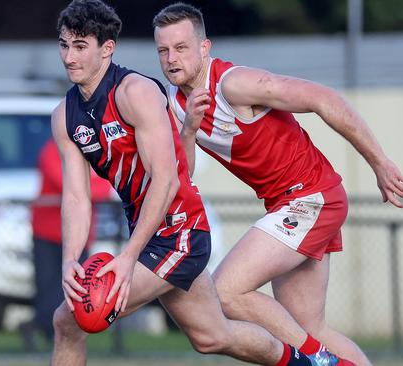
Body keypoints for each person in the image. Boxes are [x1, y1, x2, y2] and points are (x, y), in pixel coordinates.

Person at [51, 1, 319, 365]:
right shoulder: (65, 115)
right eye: (64, 45)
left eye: (80, 46)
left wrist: (128, 257)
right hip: (151, 236)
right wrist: (70, 259)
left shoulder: (135, 93)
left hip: (180, 232)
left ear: (107, 49)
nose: (69, 56)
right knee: (213, 337)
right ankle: (312, 362)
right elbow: (77, 199)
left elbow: (167, 180)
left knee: (69, 320)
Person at [153, 3, 403, 366]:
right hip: (287, 205)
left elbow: (324, 99)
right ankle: (320, 354)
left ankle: (317, 360)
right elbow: (186, 172)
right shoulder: (176, 102)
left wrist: (380, 163)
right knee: (309, 327)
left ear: (204, 47)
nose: (171, 59)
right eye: (163, 50)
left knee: (226, 292)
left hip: (312, 197)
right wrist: (190, 129)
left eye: (181, 48)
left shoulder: (235, 84)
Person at [26, 138, 112, 346]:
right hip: (48, 232)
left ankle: (58, 334)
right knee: (48, 288)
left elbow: (107, 184)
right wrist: (90, 183)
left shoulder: (92, 150)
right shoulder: (52, 149)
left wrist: (88, 184)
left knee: (76, 291)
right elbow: (67, 184)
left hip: (80, 235)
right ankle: (43, 331)